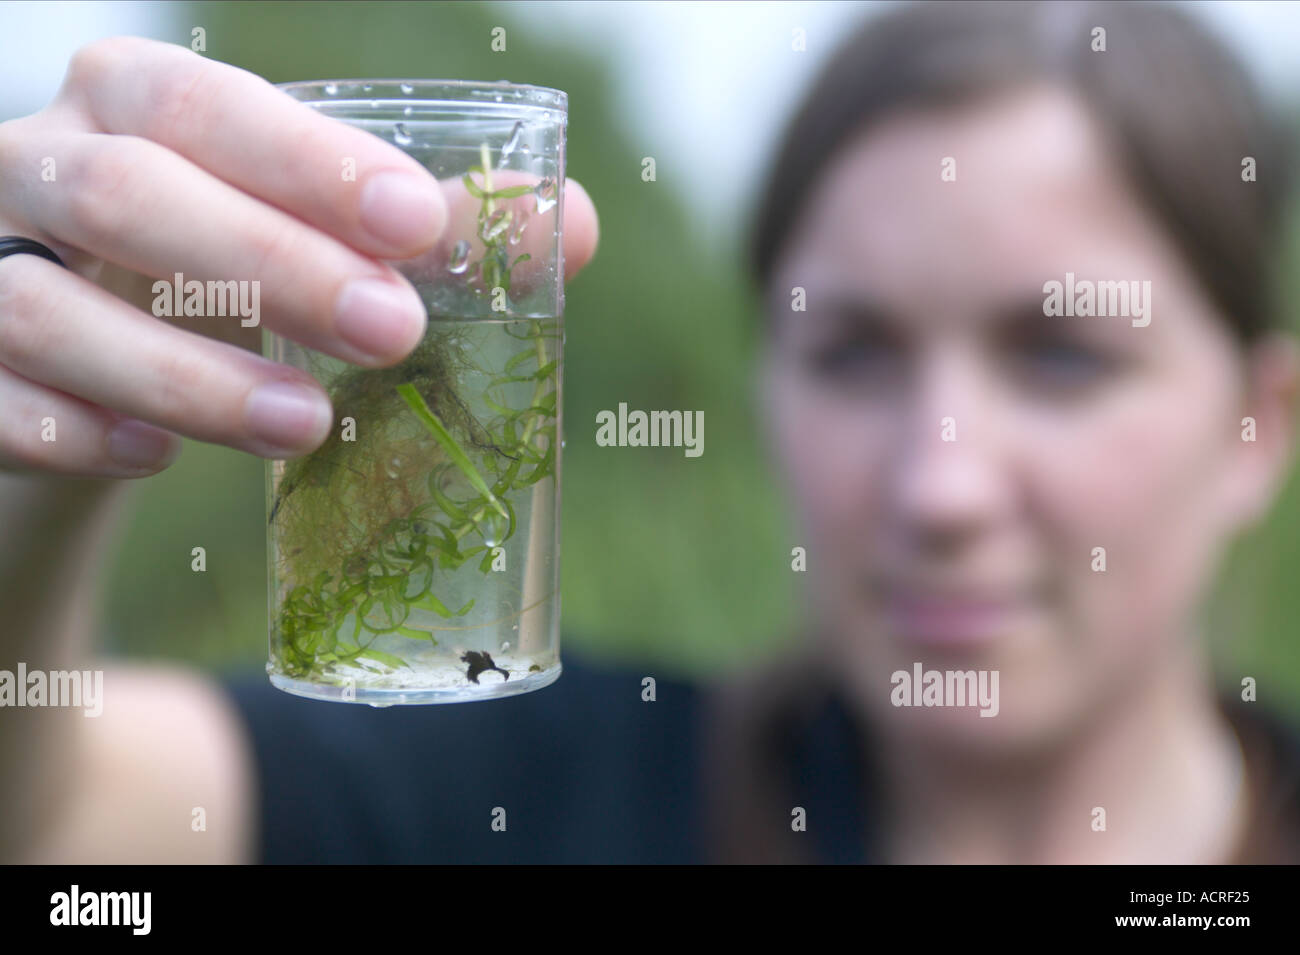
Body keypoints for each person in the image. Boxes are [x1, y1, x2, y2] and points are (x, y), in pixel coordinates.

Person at [2, 0, 1298, 864]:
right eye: (852, 352)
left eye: (1062, 355)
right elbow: (56, 831)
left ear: (1257, 426)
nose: (941, 484)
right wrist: (37, 454)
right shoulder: (530, 795)